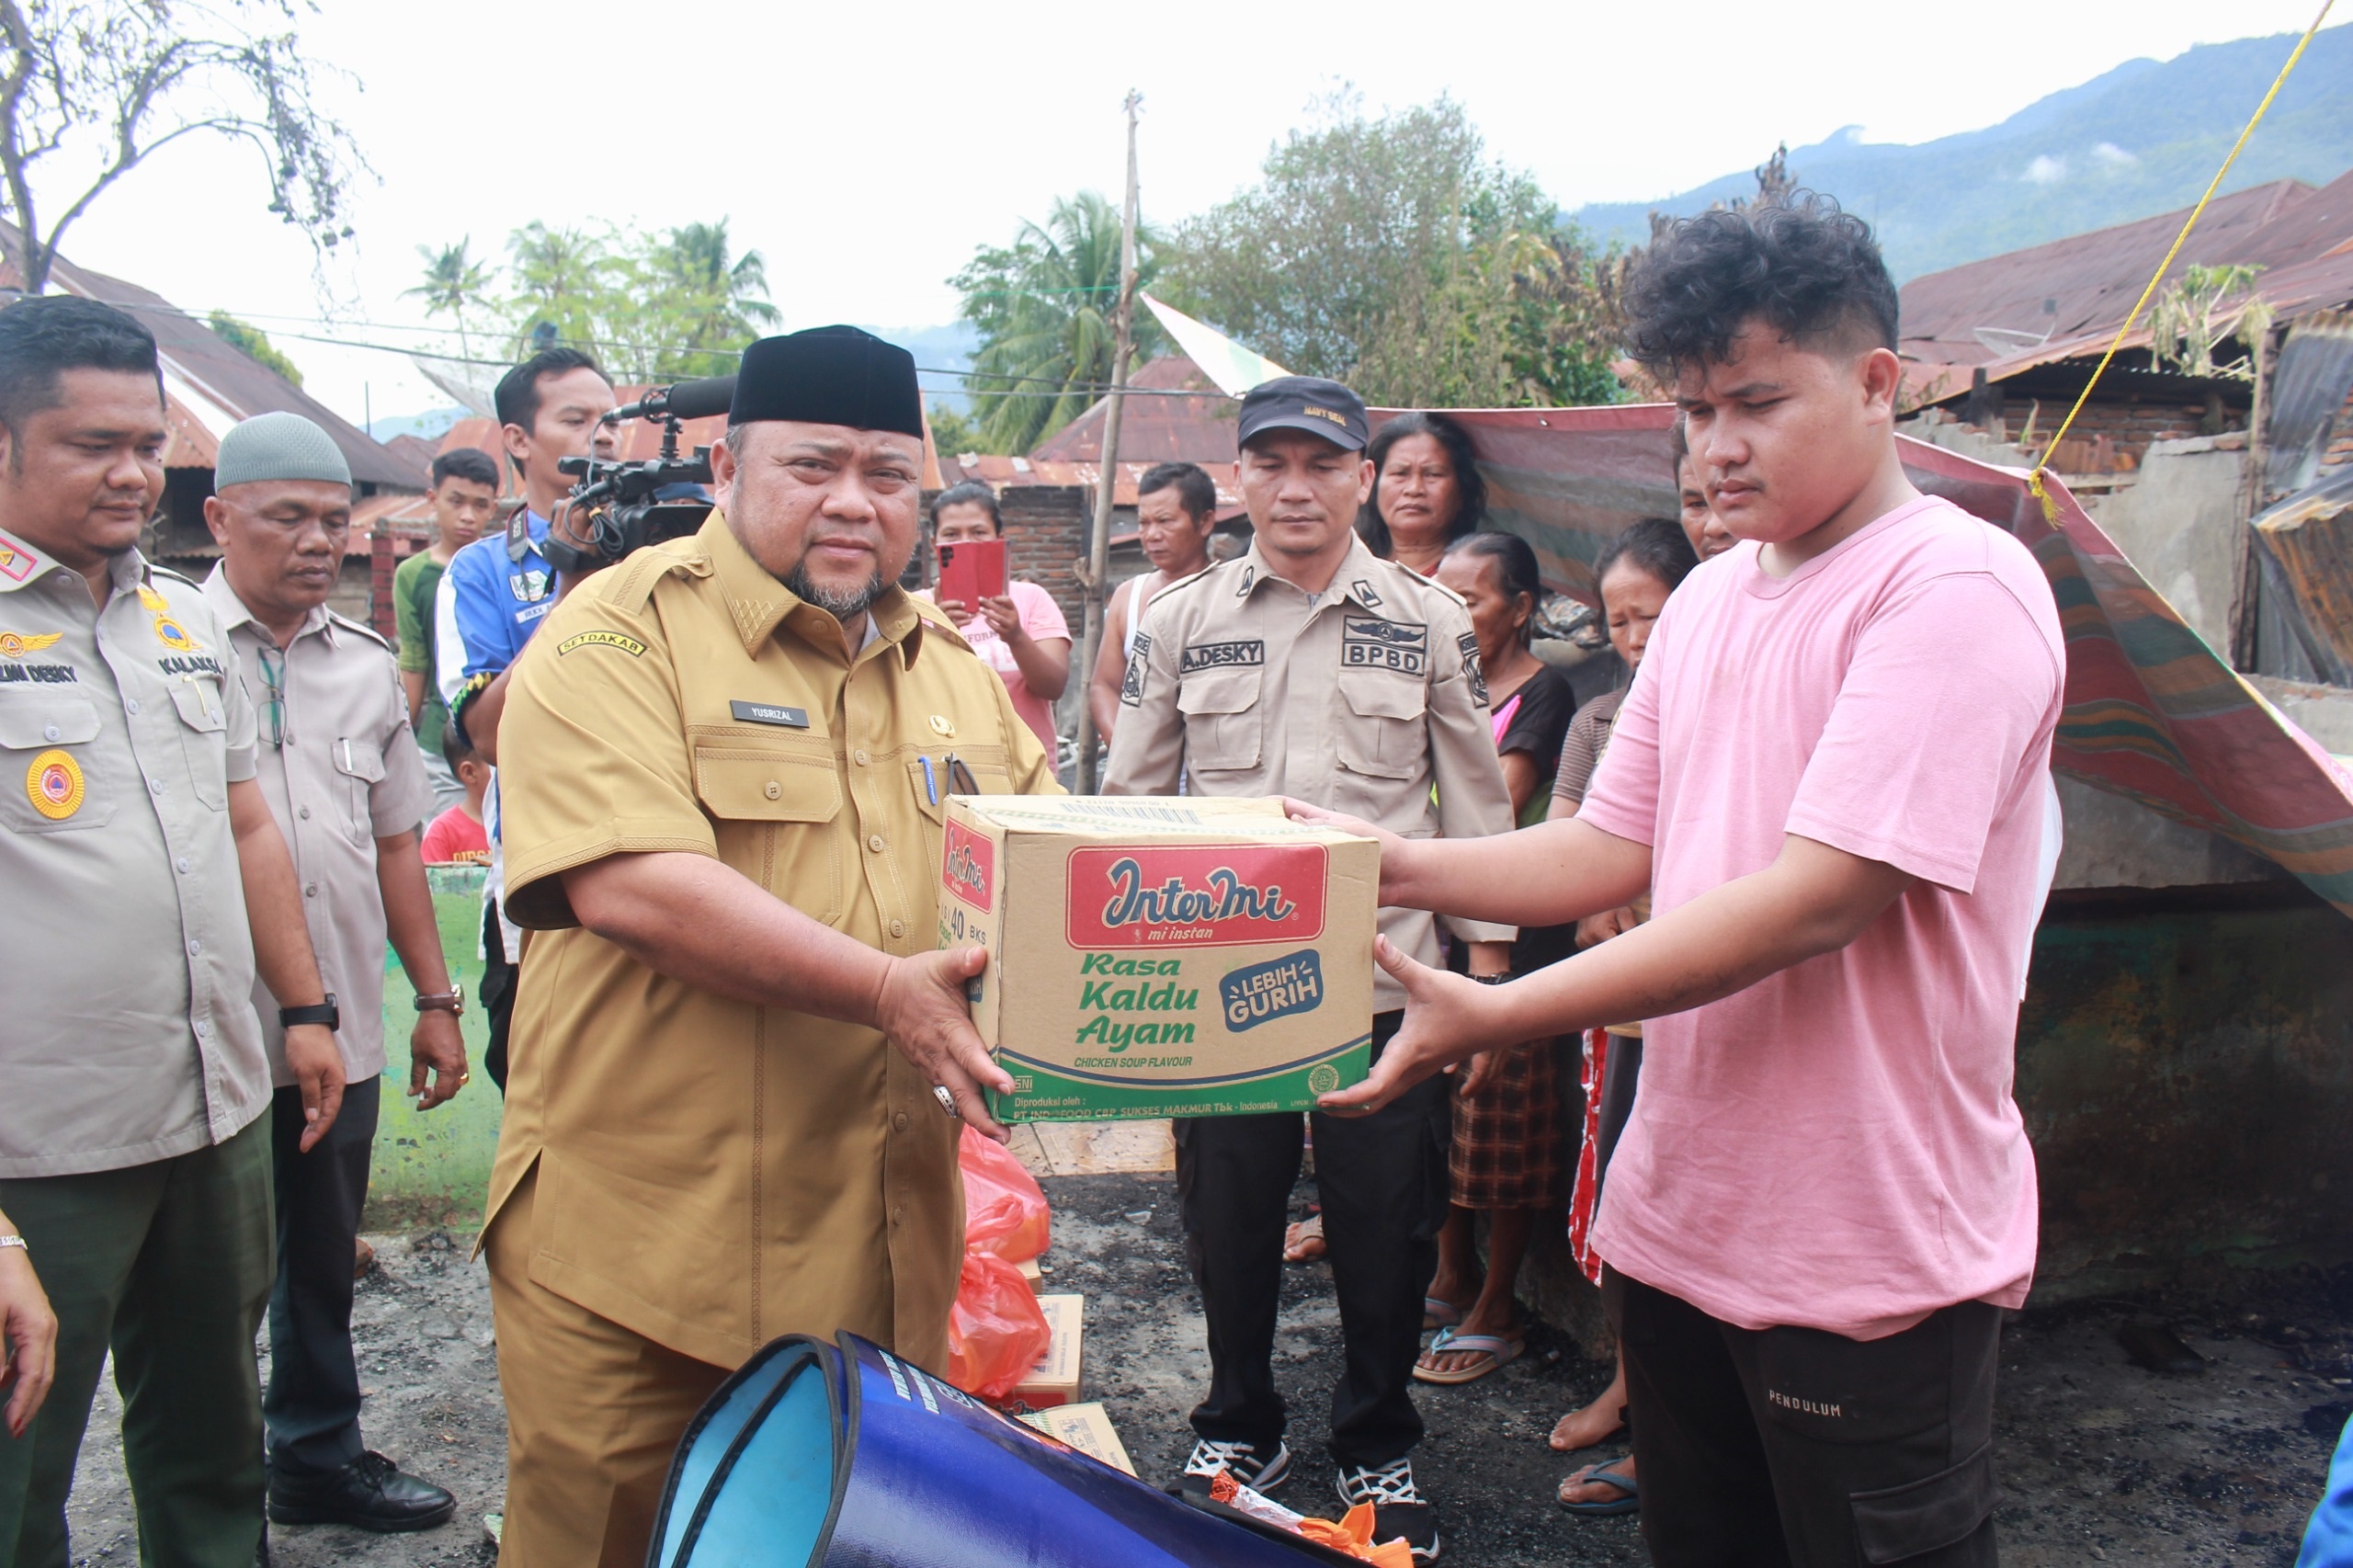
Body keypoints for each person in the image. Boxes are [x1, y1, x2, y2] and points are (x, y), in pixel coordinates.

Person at [1296, 196, 2064, 1568]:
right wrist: (1373, 861)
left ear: (1879, 382)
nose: (1715, 446)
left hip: (1865, 1251)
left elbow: (1817, 896)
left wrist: (1495, 1012)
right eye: (1692, 409)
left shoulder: (1953, 587)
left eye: (1756, 402)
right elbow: (1603, 844)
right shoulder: (1710, 600)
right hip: (1682, 1216)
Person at [483, 325, 1059, 1565]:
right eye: (814, 466)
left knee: (825, 1544)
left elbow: (1050, 883)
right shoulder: (610, 638)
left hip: (874, 1256)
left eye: (889, 474)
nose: (854, 501)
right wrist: (886, 992)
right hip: (644, 1266)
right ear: (729, 470)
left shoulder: (956, 673)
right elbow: (635, 883)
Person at [1106, 375, 1518, 1564]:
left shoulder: (1428, 618)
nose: (1296, 486)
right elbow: (1131, 808)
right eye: (1271, 462)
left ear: (1358, 479)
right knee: (1225, 1219)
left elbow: (1478, 817)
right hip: (1219, 995)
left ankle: (1377, 1444)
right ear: (1238, 476)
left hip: (1380, 986)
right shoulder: (1176, 621)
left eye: (1322, 464)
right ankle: (1240, 1424)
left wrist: (1486, 980)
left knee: (1386, 1228)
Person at [0, 296, 346, 1566]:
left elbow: (246, 827)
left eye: (147, 441)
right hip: (36, 1153)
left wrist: (304, 1011)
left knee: (212, 1448)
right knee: (17, 1464)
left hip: (214, 1114)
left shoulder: (179, 621)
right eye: (94, 443)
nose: (135, 471)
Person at [198, 412, 469, 1533]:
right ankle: (207, 1498)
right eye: (287, 519)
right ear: (218, 521)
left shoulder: (364, 672)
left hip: (344, 1026)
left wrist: (436, 1003)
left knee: (319, 1265)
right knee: (207, 1290)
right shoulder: (165, 644)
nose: (318, 543)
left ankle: (314, 1456)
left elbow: (400, 843)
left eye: (333, 521)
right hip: (210, 1032)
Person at [1541, 516, 1700, 1517]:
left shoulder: (1728, 709)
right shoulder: (1601, 719)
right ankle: (1633, 1381)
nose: (1636, 634)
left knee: (1684, 1214)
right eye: (1619, 619)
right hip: (1627, 1006)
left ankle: (1668, 1426)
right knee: (1623, 1210)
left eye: (1653, 612)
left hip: (1708, 1004)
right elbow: (1572, 850)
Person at [1415, 529, 1578, 1389]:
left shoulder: (1544, 693)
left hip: (1515, 940)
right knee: (1442, 1119)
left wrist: (1410, 824)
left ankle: (1499, 1308)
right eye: (1444, 595)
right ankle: (1451, 1276)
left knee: (1502, 1126)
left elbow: (1498, 805)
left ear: (1519, 610)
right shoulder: (1434, 679)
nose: (1454, 612)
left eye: (1472, 598)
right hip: (1436, 931)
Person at [433, 347, 617, 1090]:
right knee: (548, 1115)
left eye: (613, 421)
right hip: (547, 893)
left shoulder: (680, 549)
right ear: (517, 441)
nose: (602, 437)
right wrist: (574, 585)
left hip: (688, 881)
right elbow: (486, 734)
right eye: (577, 419)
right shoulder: (479, 573)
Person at [923, 481, 1071, 757]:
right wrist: (937, 635)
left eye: (979, 532)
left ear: (998, 538)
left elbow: (1053, 686)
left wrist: (1016, 636)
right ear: (935, 544)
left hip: (1026, 768)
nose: (966, 542)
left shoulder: (1031, 598)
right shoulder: (916, 607)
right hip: (947, 763)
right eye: (952, 533)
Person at [393, 447, 499, 816]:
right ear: (433, 499)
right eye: (456, 501)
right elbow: (415, 660)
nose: (467, 516)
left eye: (480, 504)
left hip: (500, 742)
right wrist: (398, 740)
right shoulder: (413, 575)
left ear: (494, 507)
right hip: (440, 748)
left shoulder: (502, 569)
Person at [1086, 460, 1219, 744]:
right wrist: (1125, 749)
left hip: (1219, 776)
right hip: (1144, 774)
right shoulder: (1128, 597)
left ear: (1205, 522)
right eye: (1144, 523)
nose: (1152, 535)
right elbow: (1104, 686)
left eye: (1165, 521)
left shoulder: (1234, 594)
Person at [1355, 411, 1486, 576]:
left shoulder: (1475, 580)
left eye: (1433, 474)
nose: (1414, 489)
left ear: (1462, 491)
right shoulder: (1347, 567)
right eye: (1400, 473)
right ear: (1372, 483)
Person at [420, 729, 492, 865]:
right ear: (469, 772)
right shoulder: (442, 833)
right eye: (495, 763)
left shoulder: (521, 822)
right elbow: (433, 882)